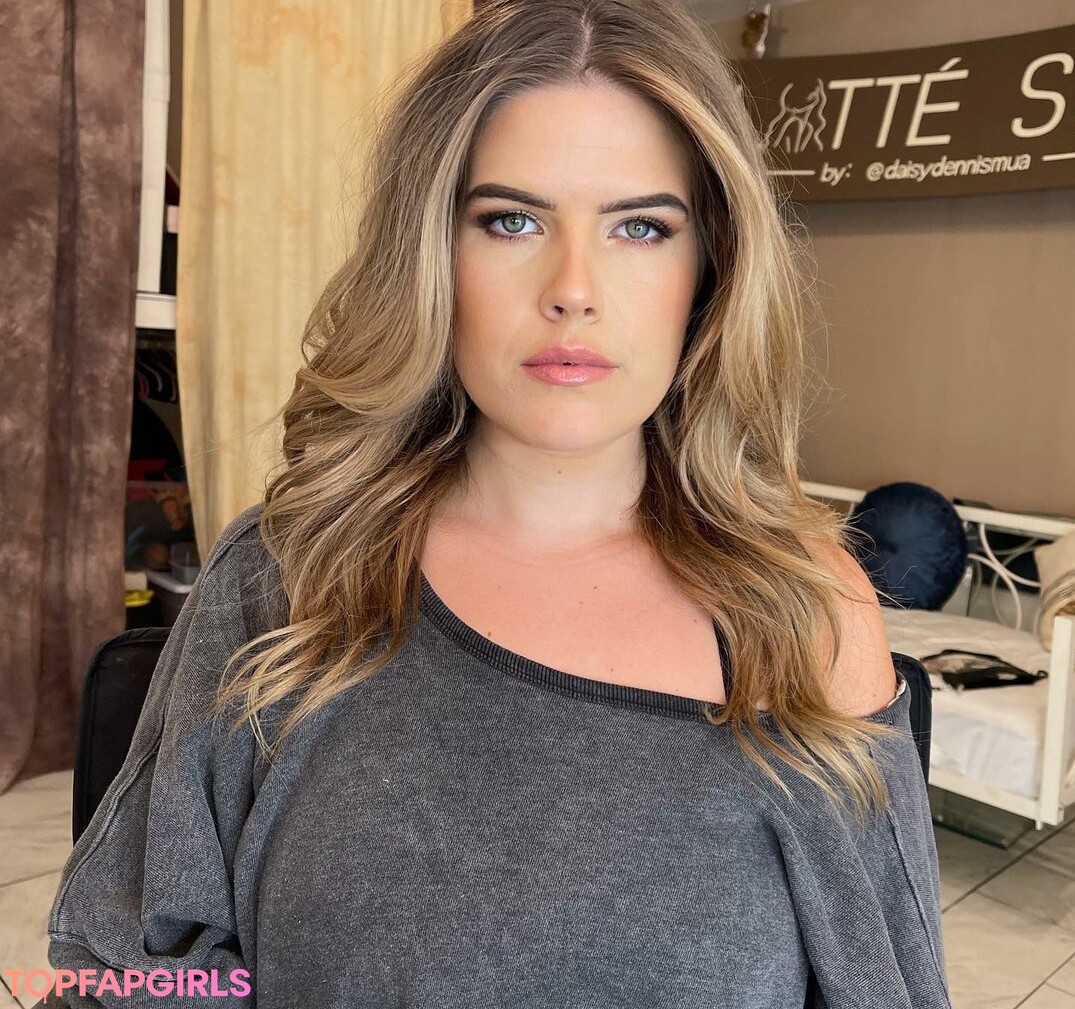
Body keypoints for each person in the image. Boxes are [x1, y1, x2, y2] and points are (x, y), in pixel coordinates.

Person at [44, 0, 950, 1006]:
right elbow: (135, 973)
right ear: (431, 253)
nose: (574, 288)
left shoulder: (805, 613)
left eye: (641, 227)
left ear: (710, 272)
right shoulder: (291, 570)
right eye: (511, 220)